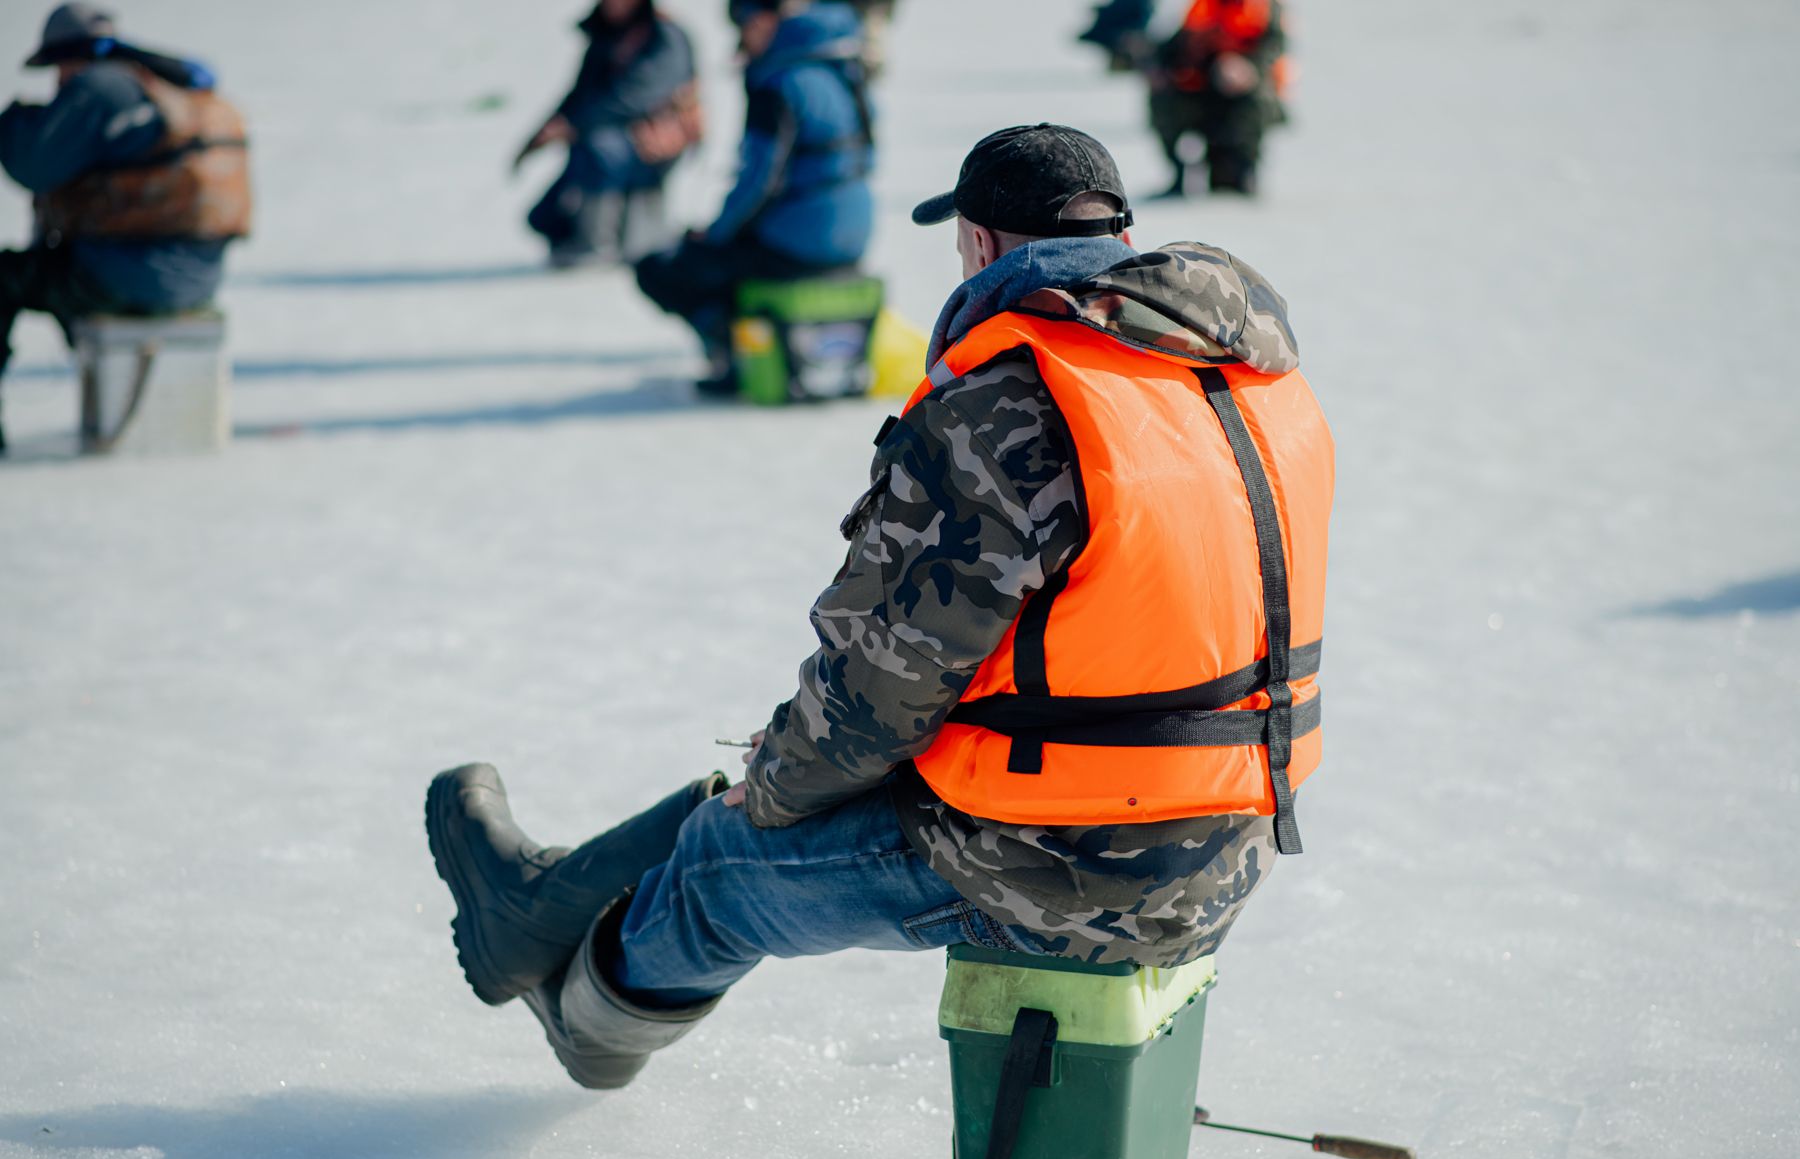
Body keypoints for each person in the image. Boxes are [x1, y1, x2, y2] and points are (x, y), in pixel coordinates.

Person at [425, 124, 1333, 1092]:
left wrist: (766, 791)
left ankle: (586, 1025)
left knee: (722, 858)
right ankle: (539, 908)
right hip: (1231, 843)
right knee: (766, 791)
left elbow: (873, 694)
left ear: (982, 245)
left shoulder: (1009, 405)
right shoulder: (1246, 380)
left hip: (1067, 872)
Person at [0, 2, 249, 455]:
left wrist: (16, 121)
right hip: (197, 280)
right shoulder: (164, 85)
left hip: (127, 277)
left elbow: (32, 165)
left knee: (5, 278)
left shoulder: (99, 89)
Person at [634, 0, 872, 393]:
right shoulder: (841, 65)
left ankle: (732, 355)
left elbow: (758, 182)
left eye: (742, 24)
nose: (740, 36)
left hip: (798, 243)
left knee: (663, 268)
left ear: (763, 20)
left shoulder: (778, 84)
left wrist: (713, 236)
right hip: (855, 233)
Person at [515, 0, 702, 269]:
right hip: (601, 140)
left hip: (654, 142)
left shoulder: (664, 35)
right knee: (543, 216)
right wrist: (543, 134)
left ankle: (598, 244)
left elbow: (640, 94)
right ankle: (583, 239)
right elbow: (581, 93)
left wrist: (576, 124)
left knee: (599, 148)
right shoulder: (608, 34)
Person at [1148, 0, 1290, 196]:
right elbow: (1178, 42)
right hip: (1204, 87)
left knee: (1254, 103)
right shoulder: (1203, 5)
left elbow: (1275, 48)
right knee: (1163, 96)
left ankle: (1244, 171)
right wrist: (1159, 68)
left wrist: (1247, 68)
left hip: (1246, 92)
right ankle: (1178, 174)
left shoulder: (1266, 7)